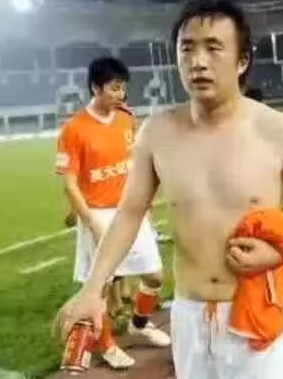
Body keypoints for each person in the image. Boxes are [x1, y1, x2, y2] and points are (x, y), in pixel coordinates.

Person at [56, 0, 283, 379]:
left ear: (242, 61)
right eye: (187, 49)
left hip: (257, 306)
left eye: (214, 48)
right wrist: (92, 288)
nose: (198, 62)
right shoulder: (157, 131)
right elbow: (130, 211)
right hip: (188, 314)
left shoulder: (278, 130)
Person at [55, 57, 171, 370]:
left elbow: (134, 166)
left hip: (130, 211)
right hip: (98, 214)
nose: (121, 94)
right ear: (96, 88)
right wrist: (89, 220)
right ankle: (106, 345)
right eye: (115, 88)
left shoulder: (126, 119)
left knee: (155, 276)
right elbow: (69, 184)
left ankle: (139, 323)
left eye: (123, 88)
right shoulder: (74, 128)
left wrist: (144, 206)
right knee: (101, 286)